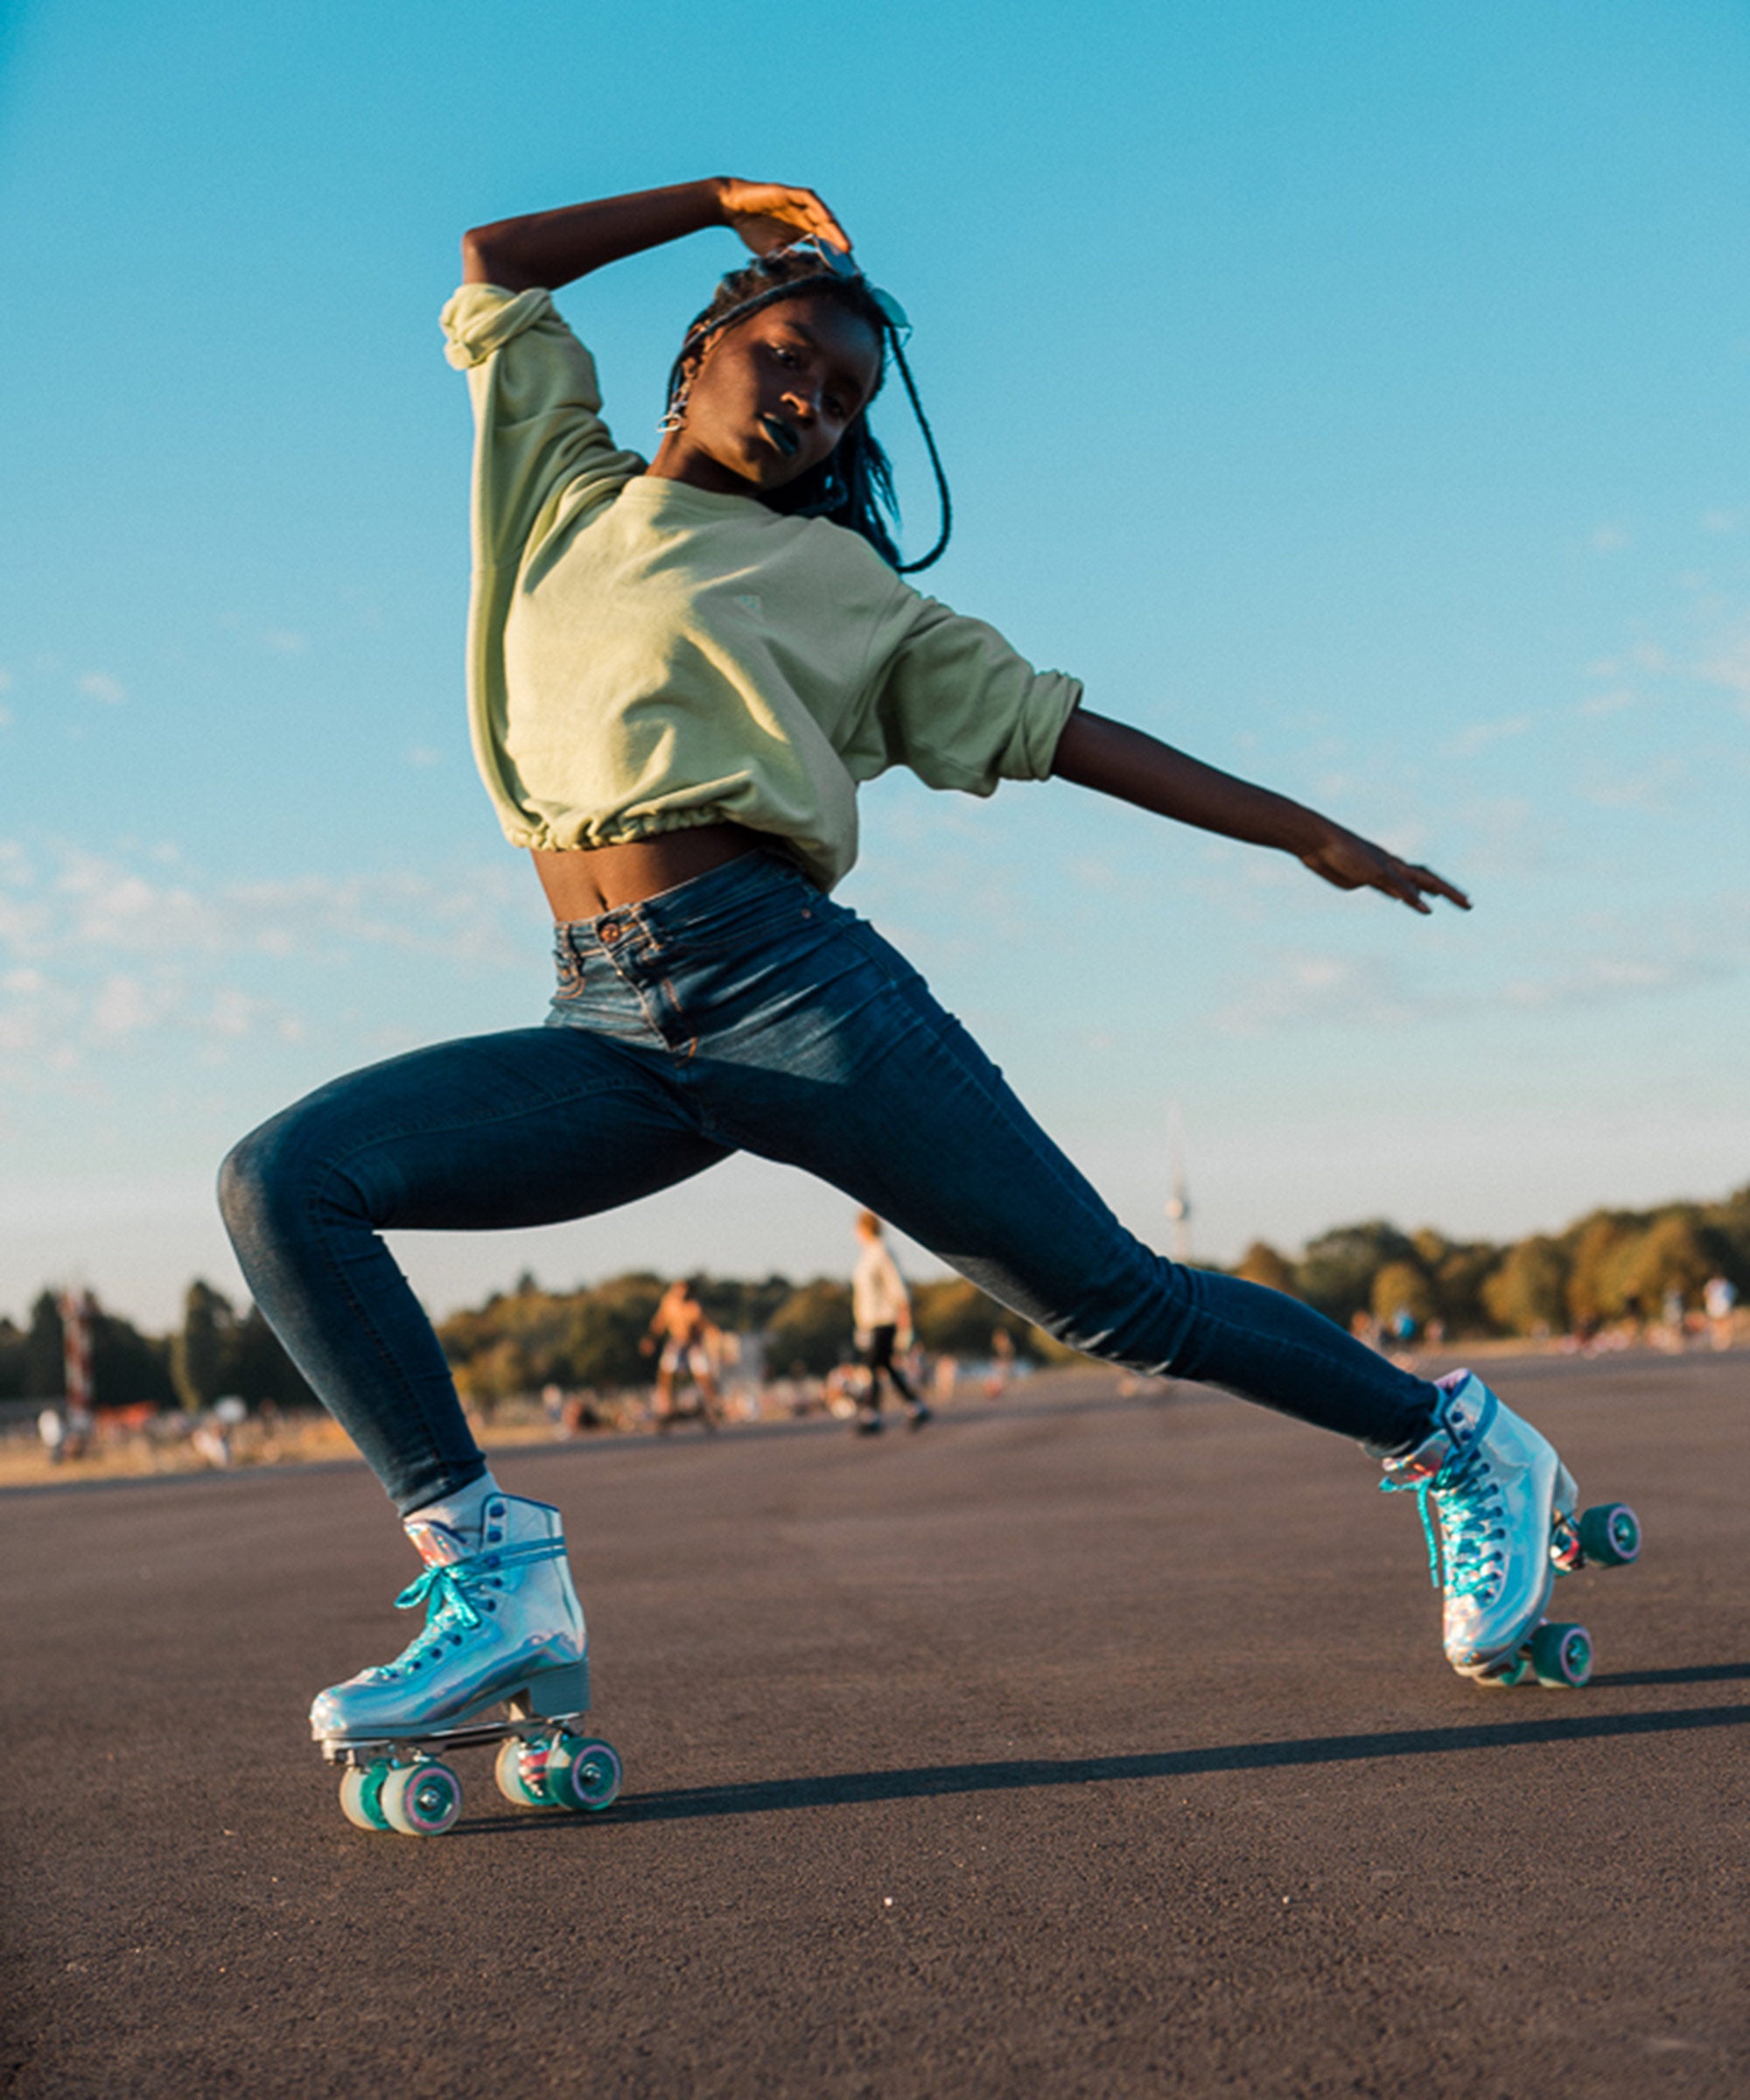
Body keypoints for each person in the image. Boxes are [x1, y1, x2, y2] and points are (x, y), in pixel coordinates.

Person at [219, 177, 1608, 1772]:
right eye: (792, 356)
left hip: (795, 993)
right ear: (702, 353)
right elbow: (494, 263)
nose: (817, 401)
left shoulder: (854, 595)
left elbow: (1065, 731)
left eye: (850, 395)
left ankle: (1457, 1441)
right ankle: (495, 1576)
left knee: (1117, 1299)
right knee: (285, 1179)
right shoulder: (559, 488)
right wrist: (719, 200)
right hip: (605, 1019)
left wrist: (1309, 834)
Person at [850, 1211, 929, 1434]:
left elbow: (898, 1288)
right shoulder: (867, 1255)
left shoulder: (882, 1252)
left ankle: (871, 1415)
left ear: (864, 1228)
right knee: (884, 1366)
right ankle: (915, 1406)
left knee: (872, 1365)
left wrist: (906, 1322)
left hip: (884, 1320)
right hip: (869, 1322)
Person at [640, 1279, 724, 1432]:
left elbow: (705, 1324)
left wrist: (714, 1335)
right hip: (677, 1342)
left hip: (693, 1344)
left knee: (702, 1373)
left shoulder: (694, 1307)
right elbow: (659, 1322)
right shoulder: (669, 1303)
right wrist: (651, 1339)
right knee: (666, 1370)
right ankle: (666, 1403)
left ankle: (712, 1403)